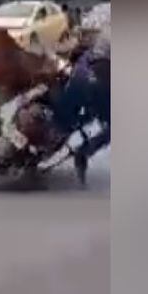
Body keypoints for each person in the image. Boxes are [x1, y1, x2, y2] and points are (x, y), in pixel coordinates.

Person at [45, 34, 110, 185]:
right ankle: (84, 152)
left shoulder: (102, 34)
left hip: (80, 77)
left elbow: (78, 46)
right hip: (97, 88)